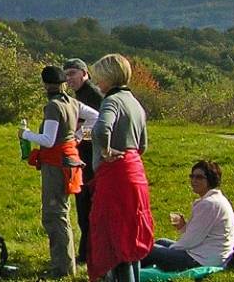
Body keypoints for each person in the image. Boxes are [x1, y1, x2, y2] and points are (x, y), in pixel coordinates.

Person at [19, 66, 92, 278]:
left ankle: (62, 268)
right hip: (69, 161)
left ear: (45, 85)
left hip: (56, 165)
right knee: (62, 212)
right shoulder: (72, 103)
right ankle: (66, 264)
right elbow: (96, 117)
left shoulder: (53, 106)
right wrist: (78, 136)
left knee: (54, 215)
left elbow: (48, 140)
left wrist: (25, 134)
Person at [87, 54, 153, 282]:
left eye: (99, 78)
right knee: (131, 237)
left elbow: (101, 128)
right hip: (135, 172)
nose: (97, 83)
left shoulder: (112, 101)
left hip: (116, 175)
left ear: (109, 77)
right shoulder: (135, 103)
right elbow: (142, 145)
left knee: (115, 240)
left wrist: (105, 150)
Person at [143, 161, 234, 271]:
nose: (194, 181)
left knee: (147, 249)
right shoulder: (215, 199)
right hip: (211, 254)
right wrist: (183, 227)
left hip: (203, 259)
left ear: (211, 180)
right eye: (192, 176)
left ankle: (133, 274)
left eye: (199, 177)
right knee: (160, 242)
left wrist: (170, 250)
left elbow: (191, 240)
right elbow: (201, 234)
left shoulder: (209, 204)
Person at [63, 58, 101, 264]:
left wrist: (78, 136)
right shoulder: (80, 95)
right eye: (66, 75)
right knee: (84, 208)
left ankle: (88, 254)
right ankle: (87, 253)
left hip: (90, 159)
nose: (69, 79)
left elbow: (98, 124)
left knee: (87, 209)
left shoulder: (92, 95)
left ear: (85, 73)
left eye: (72, 74)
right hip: (84, 158)